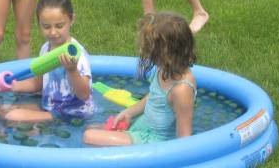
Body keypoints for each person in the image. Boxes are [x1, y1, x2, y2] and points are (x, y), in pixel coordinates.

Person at [83, 12, 197, 146]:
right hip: (141, 127)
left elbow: (184, 137)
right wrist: (129, 112)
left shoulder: (181, 89)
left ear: (166, 53)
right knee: (91, 129)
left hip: (152, 142)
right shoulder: (165, 69)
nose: (147, 56)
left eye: (151, 52)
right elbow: (154, 96)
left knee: (89, 136)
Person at [0, 0, 95, 122]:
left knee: (13, 117)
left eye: (59, 26)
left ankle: (36, 131)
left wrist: (72, 70)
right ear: (39, 24)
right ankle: (36, 128)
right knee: (4, 109)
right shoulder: (46, 48)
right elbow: (37, 83)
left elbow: (84, 94)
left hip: (73, 113)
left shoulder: (76, 53)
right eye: (46, 27)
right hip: (50, 107)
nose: (53, 32)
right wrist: (13, 86)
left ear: (72, 20)